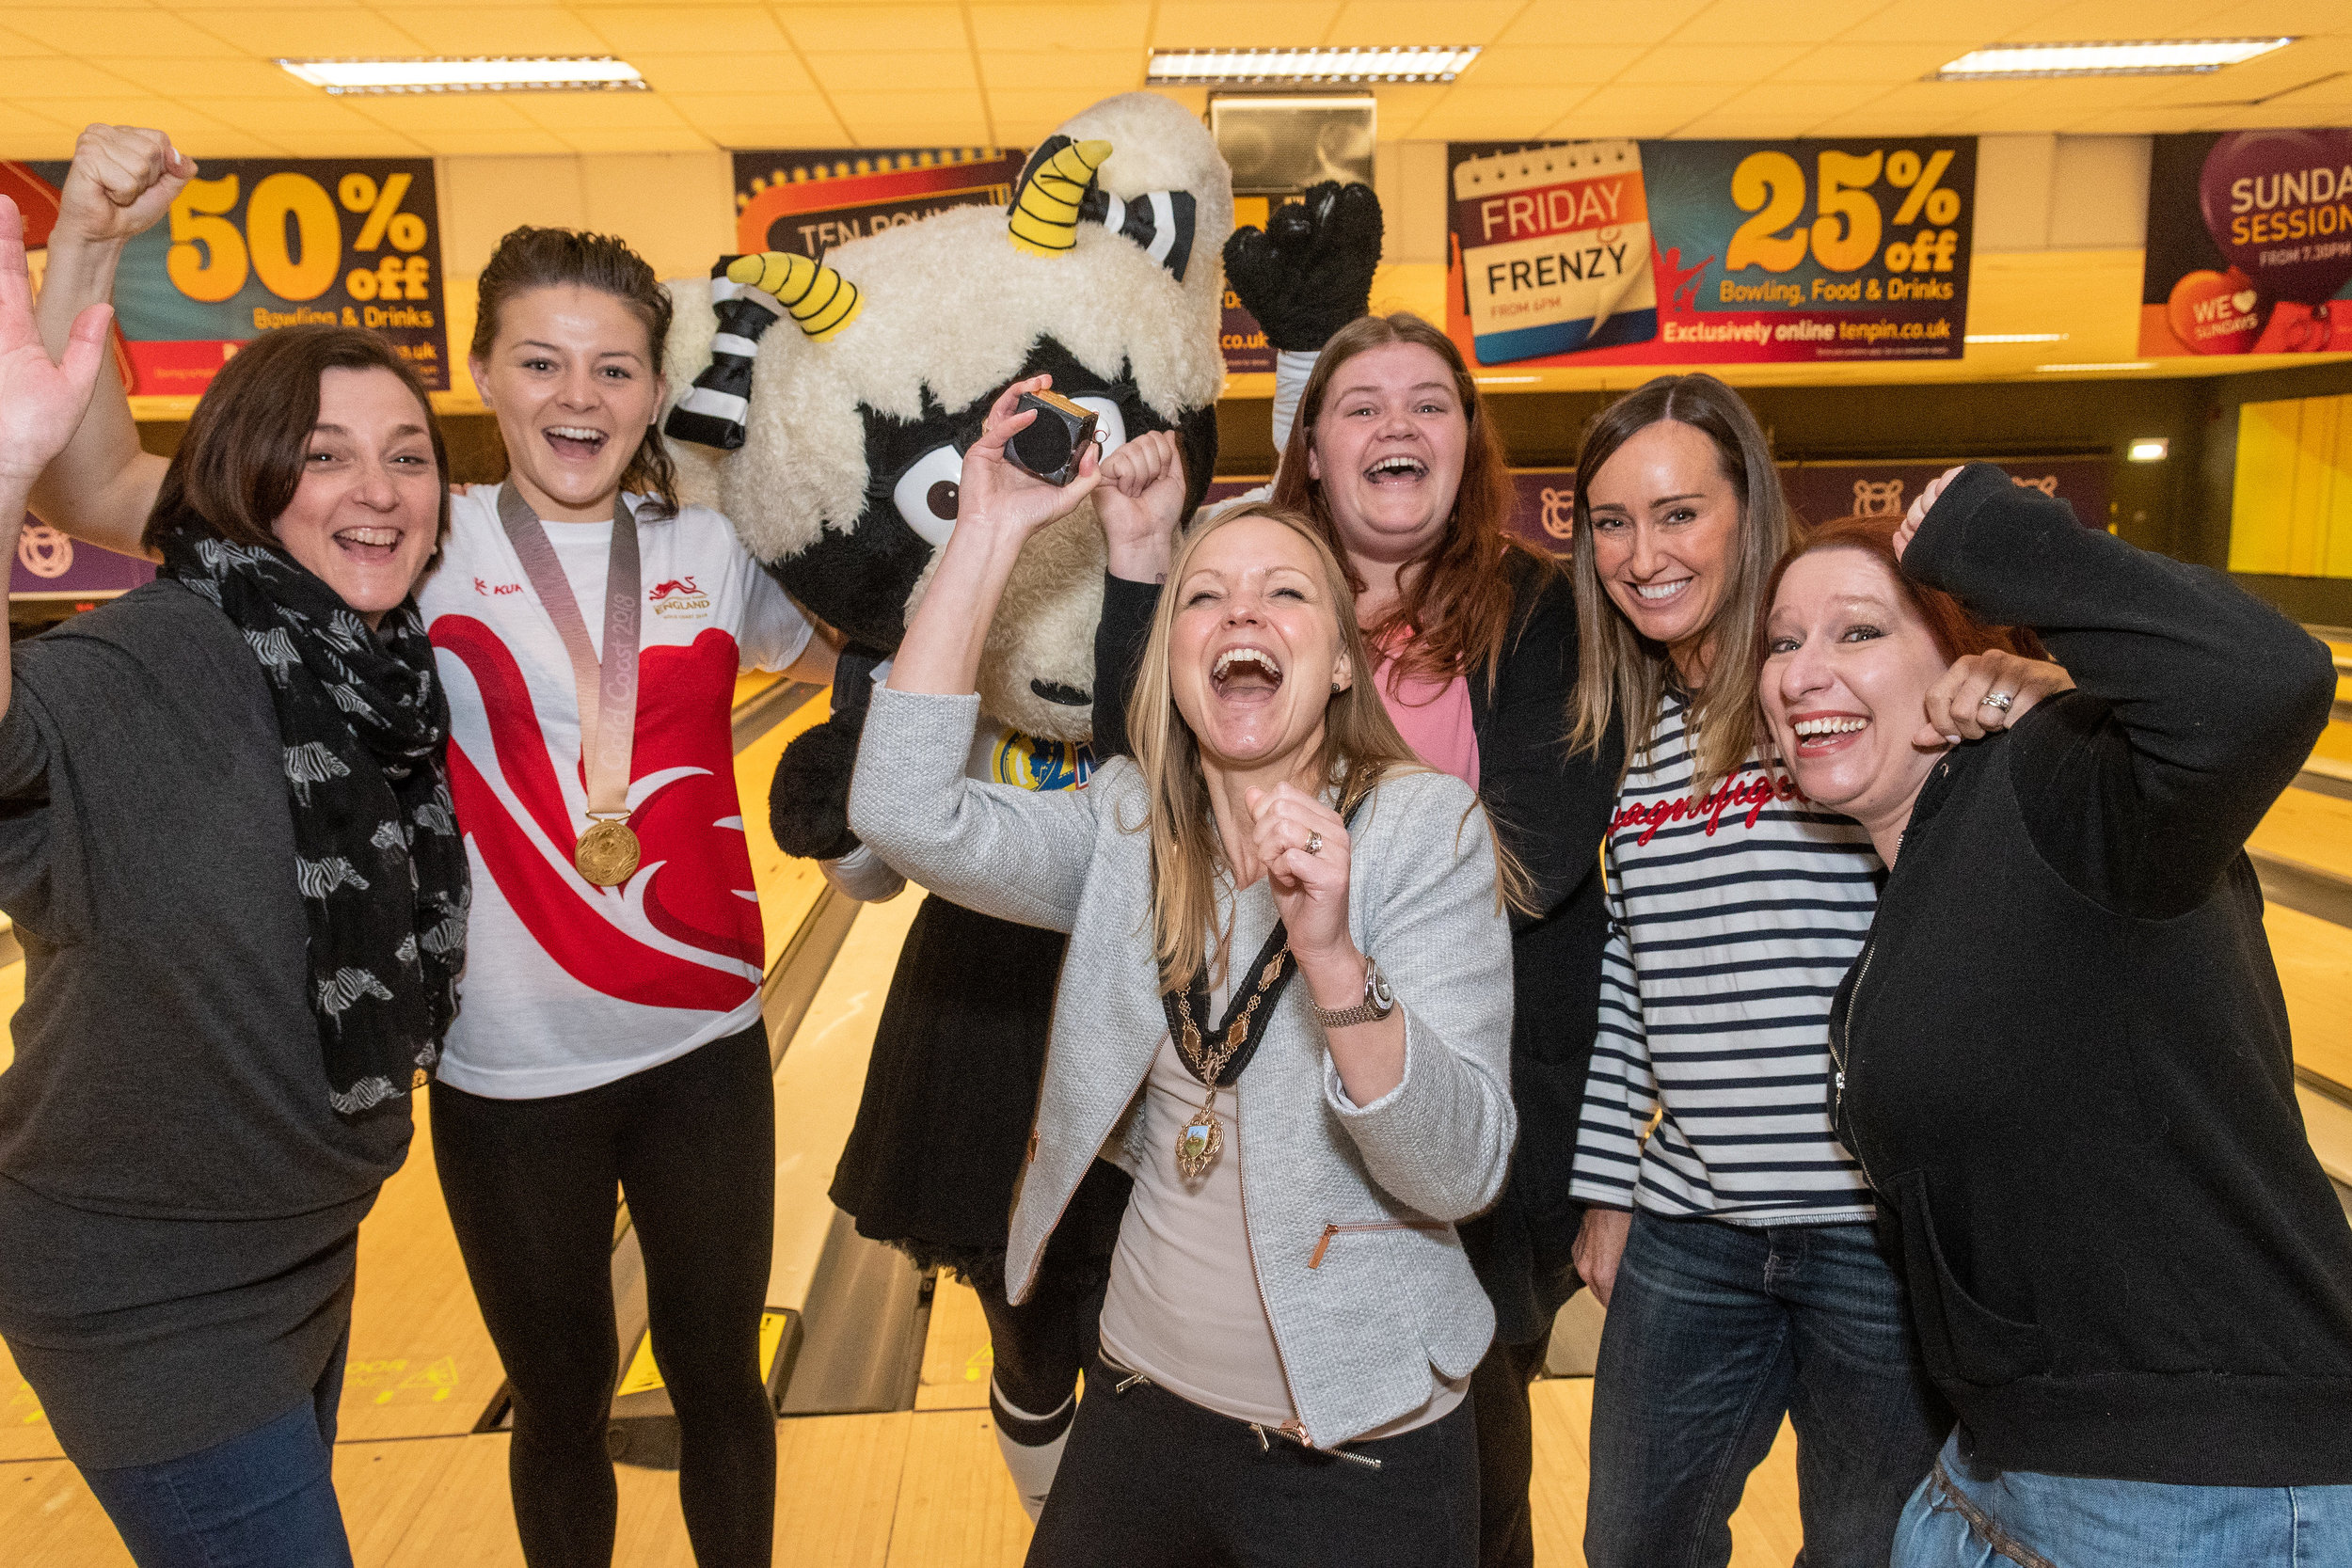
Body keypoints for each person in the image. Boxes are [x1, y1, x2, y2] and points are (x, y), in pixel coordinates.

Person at [29, 124, 834, 1568]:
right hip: (504, 1069)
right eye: (541, 360)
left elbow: (870, 642)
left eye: (614, 367)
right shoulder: (398, 529)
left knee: (724, 1381)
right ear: (483, 373)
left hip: (710, 1042)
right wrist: (85, 247)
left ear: (656, 389)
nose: (578, 395)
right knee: (560, 1401)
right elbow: (88, 493)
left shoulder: (718, 549)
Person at [851, 374, 1516, 1565]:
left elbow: (1457, 1169)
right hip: (1139, 1407)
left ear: (1344, 663)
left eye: (1284, 591)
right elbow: (900, 812)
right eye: (1203, 595)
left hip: (1358, 1441)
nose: (1239, 610)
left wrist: (1333, 961)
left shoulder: (1424, 831)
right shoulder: (1125, 826)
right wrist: (987, 528)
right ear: (1172, 662)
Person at [1090, 309, 1618, 1568]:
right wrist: (1140, 568)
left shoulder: (1539, 606)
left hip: (1465, 1075)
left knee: (1478, 1436)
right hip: (1246, 1085)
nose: (1398, 424)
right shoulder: (1255, 580)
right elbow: (1141, 784)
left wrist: (1330, 936)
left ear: (1467, 441)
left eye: (1429, 402)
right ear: (1312, 447)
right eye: (1362, 404)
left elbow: (1536, 847)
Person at [0, 188, 466, 1564]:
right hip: (146, 1279)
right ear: (246, 478)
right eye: (325, 456)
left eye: (407, 455)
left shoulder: (377, 670)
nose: (377, 488)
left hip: (302, 1242)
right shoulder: (152, 654)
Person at [1758, 484, 2352, 1565]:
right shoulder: (1918, 884)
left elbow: (2264, 679)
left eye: (1859, 630)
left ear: (1966, 658)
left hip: (2199, 1493)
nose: (1800, 672)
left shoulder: (2058, 789)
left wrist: (1981, 532)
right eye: (1782, 641)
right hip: (1999, 1476)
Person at [1561, 374, 2074, 1568]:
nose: (1643, 554)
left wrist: (2039, 692)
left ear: (1749, 510)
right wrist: (1607, 1190)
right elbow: (1632, 975)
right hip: (1691, 1221)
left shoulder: (1847, 706)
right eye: (1612, 523)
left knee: (1862, 1551)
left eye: (1679, 512)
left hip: (1873, 1236)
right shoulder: (1635, 737)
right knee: (1629, 1544)